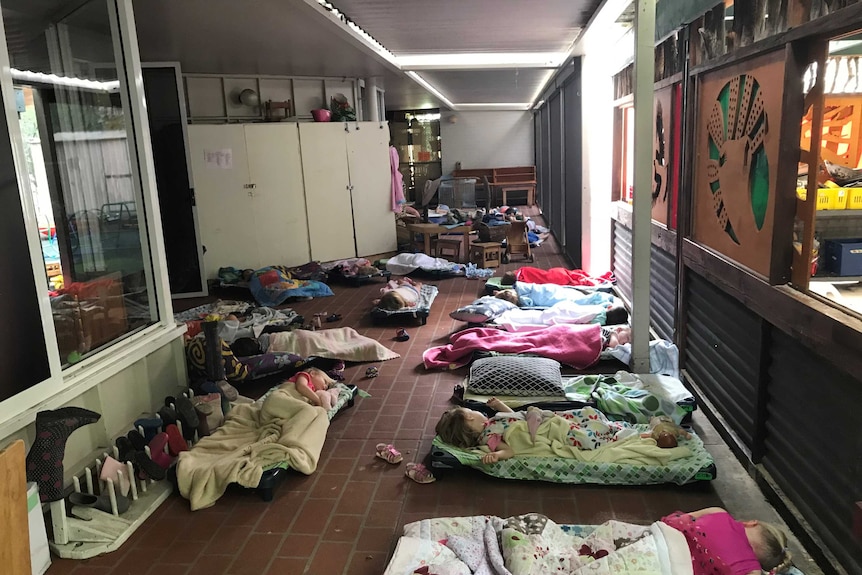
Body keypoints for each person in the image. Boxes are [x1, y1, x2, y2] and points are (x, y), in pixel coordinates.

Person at [435, 398, 634, 464]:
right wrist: (496, 455)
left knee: (579, 416)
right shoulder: (489, 437)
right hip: (545, 431)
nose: (477, 411)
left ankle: (609, 428)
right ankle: (611, 435)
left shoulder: (493, 421)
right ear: (469, 418)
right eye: (472, 411)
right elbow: (509, 450)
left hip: (540, 420)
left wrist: (500, 406)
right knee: (580, 437)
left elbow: (516, 416)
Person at [661, 507, 792, 575]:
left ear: (752, 523)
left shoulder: (718, 512)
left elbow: (672, 521)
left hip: (657, 542)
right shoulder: (752, 570)